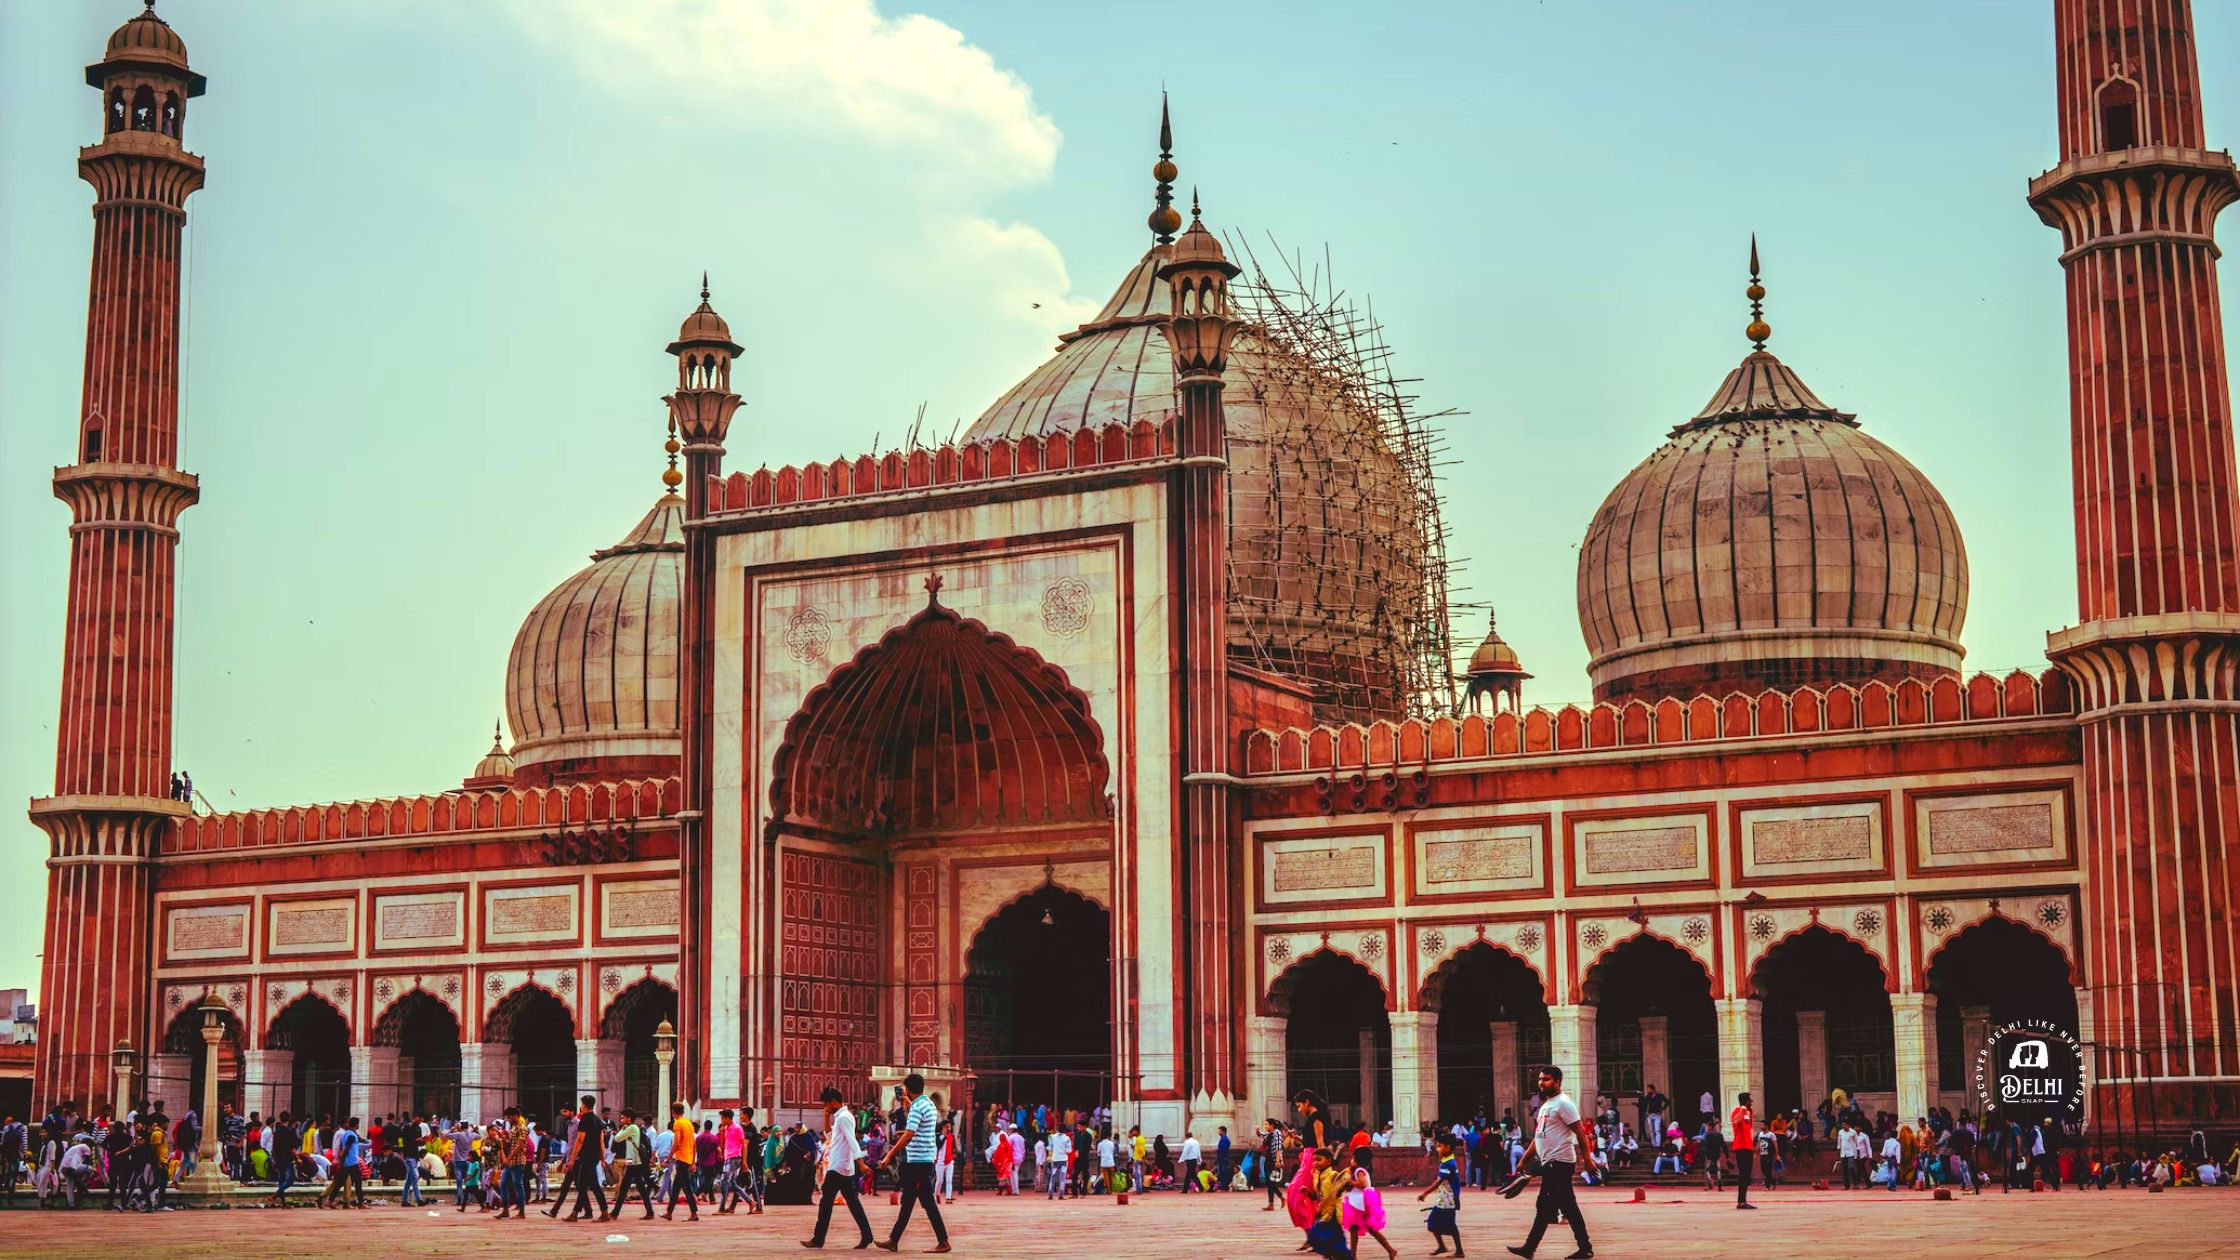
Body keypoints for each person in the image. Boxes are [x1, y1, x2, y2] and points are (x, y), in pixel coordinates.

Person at [1510, 1064, 1595, 1260]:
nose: (1541, 1082)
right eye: (1540, 1079)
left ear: (1557, 1082)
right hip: (1550, 1163)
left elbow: (1581, 1134)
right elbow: (1538, 1137)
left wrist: (1588, 1160)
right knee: (1560, 1206)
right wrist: (1524, 1160)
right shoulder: (1546, 1106)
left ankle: (1531, 1248)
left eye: (1546, 1079)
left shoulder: (1564, 1104)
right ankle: (1583, 1247)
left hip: (1560, 1162)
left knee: (1550, 1205)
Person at [873, 1072, 949, 1254]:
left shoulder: (917, 1108)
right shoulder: (928, 1104)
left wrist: (889, 1155)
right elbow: (917, 1115)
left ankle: (943, 1241)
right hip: (925, 1159)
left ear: (909, 1088)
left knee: (926, 1202)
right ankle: (894, 1239)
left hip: (917, 1161)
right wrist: (908, 1101)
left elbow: (908, 1134)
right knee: (908, 1201)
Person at [804, 1086, 873, 1250]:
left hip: (838, 1166)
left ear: (834, 1102)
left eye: (826, 1105)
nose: (825, 1108)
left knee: (826, 1203)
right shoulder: (843, 1116)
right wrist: (826, 1116)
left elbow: (852, 1140)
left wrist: (861, 1162)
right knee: (852, 1203)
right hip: (842, 1167)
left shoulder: (843, 1118)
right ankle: (867, 1235)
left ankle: (818, 1239)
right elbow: (829, 1137)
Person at [554, 1096, 609, 1222]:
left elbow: (579, 1140)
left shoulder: (584, 1120)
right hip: (594, 1157)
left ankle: (604, 1212)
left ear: (584, 1105)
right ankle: (575, 1213)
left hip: (586, 1157)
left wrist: (572, 1160)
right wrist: (602, 1157)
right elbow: (601, 1141)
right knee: (585, 1185)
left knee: (589, 1186)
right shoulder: (597, 1120)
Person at [1341, 1148, 1395, 1260]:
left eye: (1352, 1158)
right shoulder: (1357, 1170)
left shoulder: (1359, 1171)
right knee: (1354, 1228)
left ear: (1356, 1159)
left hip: (1361, 1203)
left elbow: (1363, 1184)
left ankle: (1390, 1249)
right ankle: (1353, 1254)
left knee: (1368, 1229)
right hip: (1357, 1202)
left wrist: (1349, 1181)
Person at [1417, 1134, 1464, 1258]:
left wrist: (1425, 1193)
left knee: (1440, 1224)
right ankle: (1444, 1246)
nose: (1437, 1149)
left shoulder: (1448, 1163)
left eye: (1439, 1146)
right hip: (1444, 1199)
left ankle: (1458, 1250)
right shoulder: (1447, 1161)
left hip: (1448, 1200)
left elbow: (1438, 1182)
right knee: (1436, 1223)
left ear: (1447, 1148)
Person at [661, 1102, 699, 1220]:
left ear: (673, 1112)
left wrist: (668, 1158)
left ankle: (691, 1213)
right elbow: (694, 1145)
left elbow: (676, 1143)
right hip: (687, 1158)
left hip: (681, 1158)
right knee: (679, 1186)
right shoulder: (689, 1124)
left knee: (683, 1186)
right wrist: (692, 1161)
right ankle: (670, 1212)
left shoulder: (677, 1124)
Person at [1729, 1093, 1757, 1209]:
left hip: (1748, 1146)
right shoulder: (1737, 1111)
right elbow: (1735, 1122)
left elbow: (1749, 1128)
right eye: (1750, 1100)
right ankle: (1741, 1201)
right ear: (1745, 1101)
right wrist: (1742, 1109)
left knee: (1747, 1175)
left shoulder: (1748, 1113)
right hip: (1740, 1146)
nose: (1751, 1102)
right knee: (1743, 1174)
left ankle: (1743, 1200)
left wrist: (1748, 1111)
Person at [1216, 1125, 1234, 1189]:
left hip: (1222, 1158)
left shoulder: (1224, 1139)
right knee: (1223, 1171)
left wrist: (1218, 1151)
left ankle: (1224, 1185)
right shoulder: (1224, 1139)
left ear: (1223, 1131)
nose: (1219, 1132)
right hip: (1223, 1158)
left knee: (1223, 1172)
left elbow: (1223, 1149)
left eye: (1220, 1131)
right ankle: (1224, 1185)